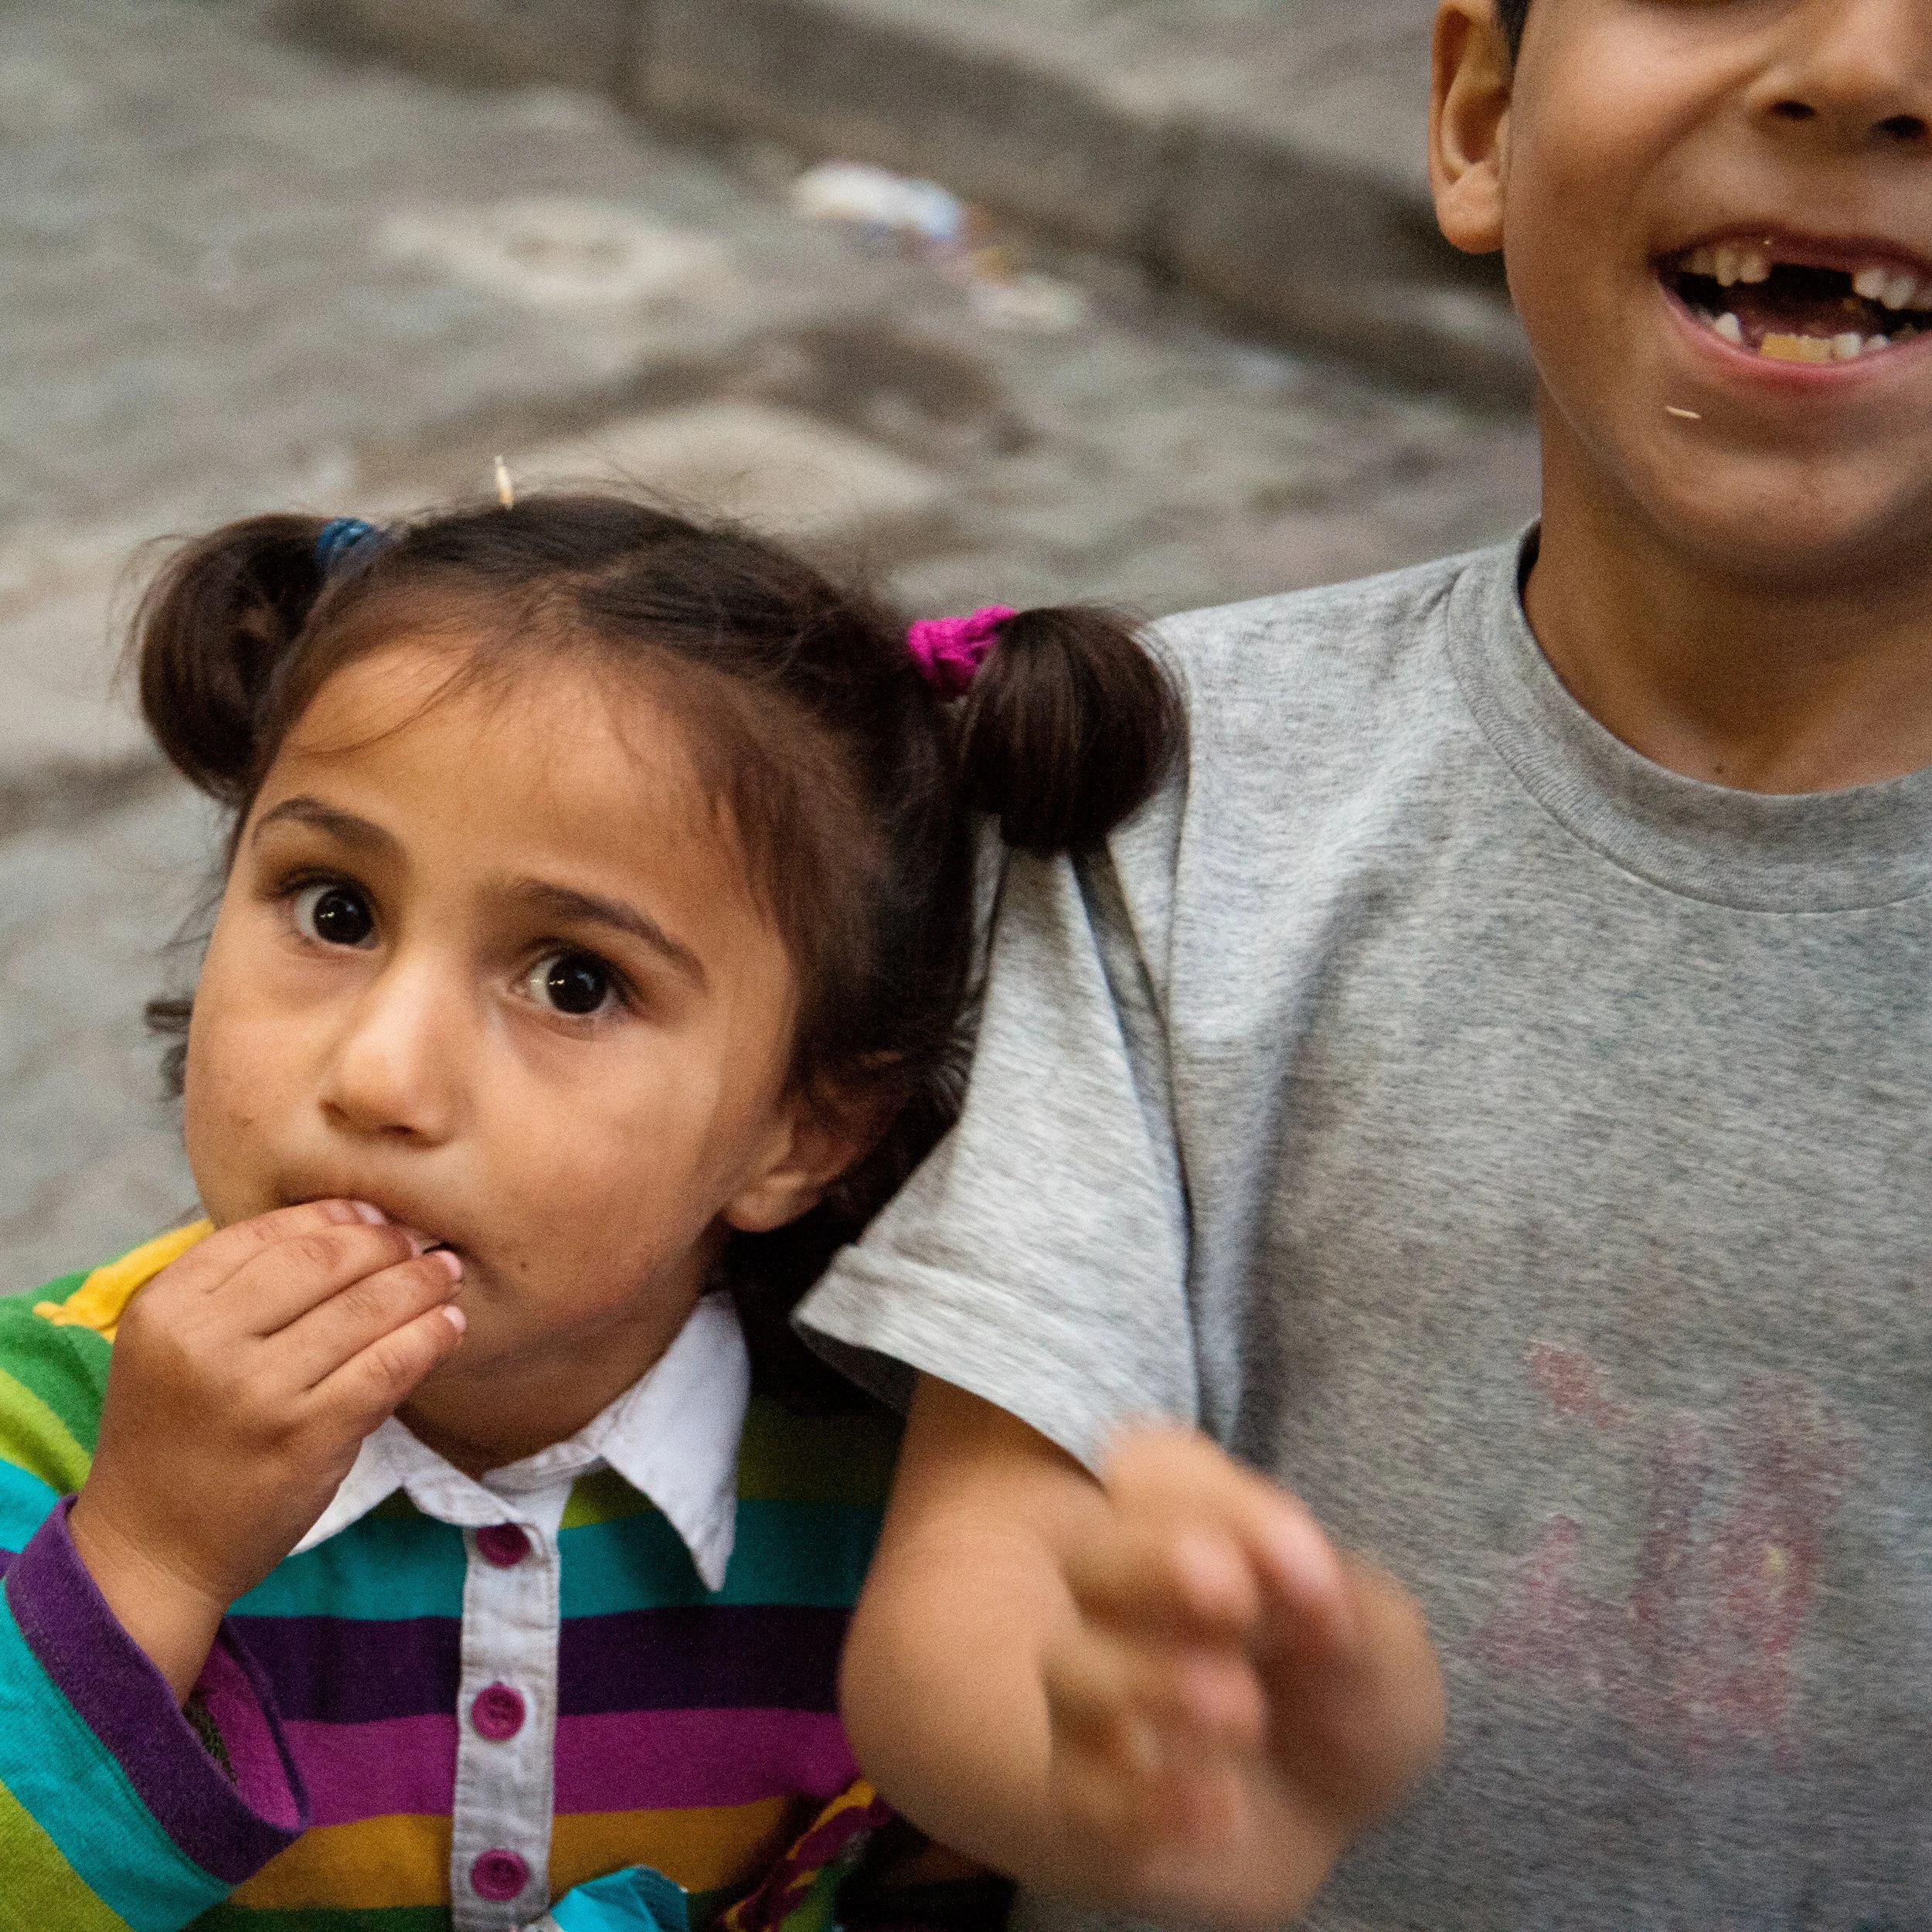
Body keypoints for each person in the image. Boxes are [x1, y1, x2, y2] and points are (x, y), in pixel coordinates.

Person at [799, 0, 1932, 1924]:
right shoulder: (1171, 790)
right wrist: (1116, 1766)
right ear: (1479, 113)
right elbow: (965, 1599)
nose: (1860, 68)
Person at [0, 495, 1177, 1929]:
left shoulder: (904, 1537)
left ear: (805, 1131)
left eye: (573, 980)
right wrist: (147, 1558)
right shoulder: (42, 1434)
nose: (380, 1074)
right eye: (334, 909)